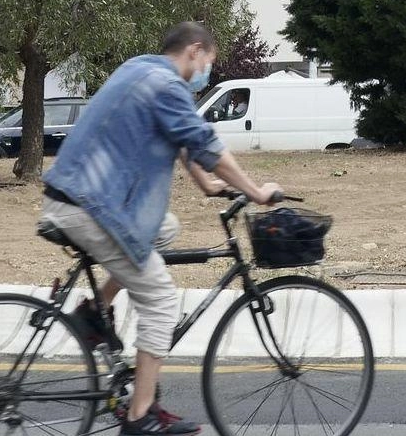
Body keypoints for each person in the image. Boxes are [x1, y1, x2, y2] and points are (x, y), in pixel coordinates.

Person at [38, 22, 282, 436]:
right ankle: (140, 417)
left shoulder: (142, 69)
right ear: (195, 50)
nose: (209, 71)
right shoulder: (167, 86)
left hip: (81, 195)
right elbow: (206, 144)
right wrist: (256, 191)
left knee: (164, 228)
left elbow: (182, 138)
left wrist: (207, 185)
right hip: (91, 205)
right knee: (162, 300)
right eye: (210, 62)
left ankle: (95, 309)